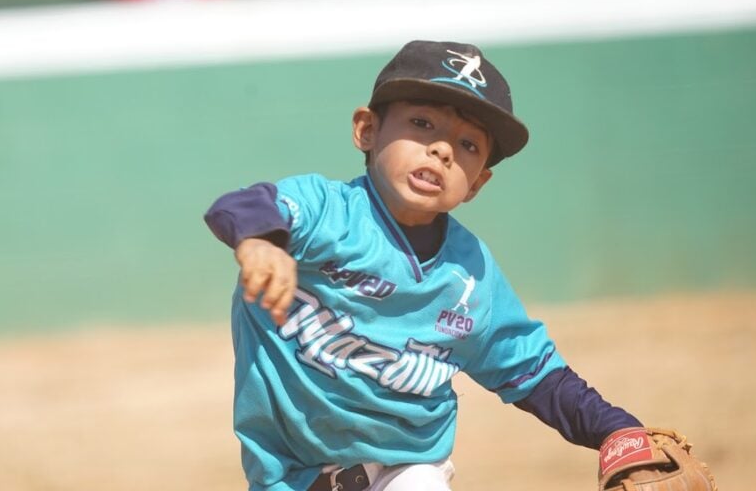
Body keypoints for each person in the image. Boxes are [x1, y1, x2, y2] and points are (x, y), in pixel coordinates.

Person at [204, 41, 658, 491]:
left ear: (477, 182)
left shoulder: (471, 276)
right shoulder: (327, 212)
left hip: (405, 473)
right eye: (422, 123)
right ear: (367, 130)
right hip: (285, 479)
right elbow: (243, 205)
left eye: (467, 145)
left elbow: (537, 376)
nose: (442, 150)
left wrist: (618, 431)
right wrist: (260, 242)